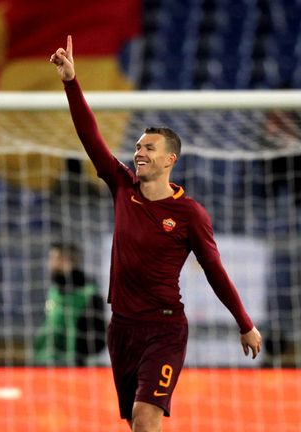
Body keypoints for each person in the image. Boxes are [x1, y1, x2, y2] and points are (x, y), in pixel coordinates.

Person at [49, 36, 262, 432]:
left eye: (148, 147)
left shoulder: (188, 214)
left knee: (146, 420)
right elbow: (90, 137)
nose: (139, 152)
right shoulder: (121, 186)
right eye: (136, 146)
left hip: (164, 328)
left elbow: (214, 269)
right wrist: (71, 82)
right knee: (136, 423)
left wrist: (244, 322)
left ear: (170, 159)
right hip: (122, 329)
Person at [34, 242, 105, 366]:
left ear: (66, 261)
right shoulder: (54, 292)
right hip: (46, 362)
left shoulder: (90, 295)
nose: (49, 264)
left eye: (53, 259)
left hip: (77, 366)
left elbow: (98, 338)